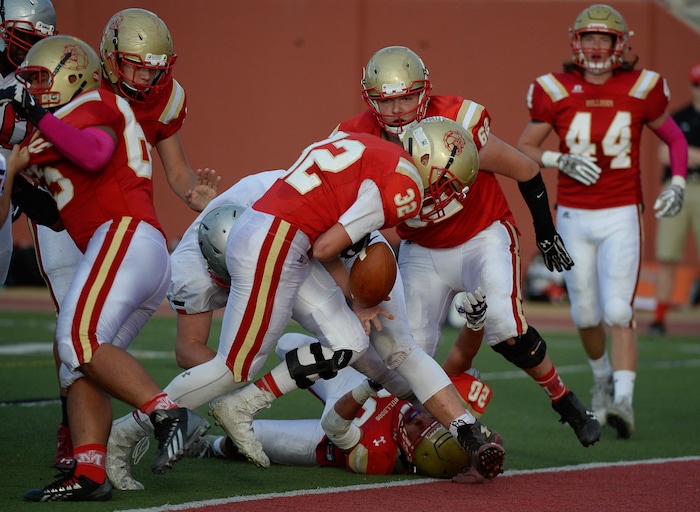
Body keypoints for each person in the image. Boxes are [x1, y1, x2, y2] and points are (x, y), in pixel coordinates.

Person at [107, 117, 506, 491]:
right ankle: (127, 432)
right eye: (449, 183)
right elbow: (327, 244)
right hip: (277, 243)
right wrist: (358, 297)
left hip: (287, 238)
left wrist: (358, 292)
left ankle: (243, 405)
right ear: (431, 166)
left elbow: (325, 231)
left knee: (351, 341)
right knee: (233, 368)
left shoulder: (371, 145)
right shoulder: (404, 186)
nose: (447, 194)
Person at [334, 45, 600, 448]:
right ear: (371, 101)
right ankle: (408, 434)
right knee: (405, 354)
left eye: (407, 96)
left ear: (424, 91)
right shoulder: (356, 139)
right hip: (421, 249)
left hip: (482, 233)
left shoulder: (457, 122)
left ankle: (564, 400)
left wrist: (546, 233)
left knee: (506, 327)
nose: (399, 109)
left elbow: (525, 169)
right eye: (388, 100)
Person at [1, 35, 210, 502]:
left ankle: (168, 414)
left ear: (69, 72)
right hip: (130, 248)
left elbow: (94, 152)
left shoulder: (93, 102)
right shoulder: (57, 127)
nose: (32, 89)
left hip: (124, 236)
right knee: (78, 366)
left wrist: (34, 120)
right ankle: (90, 471)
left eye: (38, 78)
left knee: (76, 339)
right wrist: (14, 180)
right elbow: (55, 213)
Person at [516, 4, 688, 439]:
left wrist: (679, 181)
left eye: (604, 39)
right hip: (573, 214)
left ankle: (624, 401)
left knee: (617, 308)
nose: (595, 46)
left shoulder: (642, 87)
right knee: (587, 311)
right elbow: (526, 147)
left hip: (620, 212)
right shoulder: (554, 89)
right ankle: (602, 377)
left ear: (619, 43)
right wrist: (561, 158)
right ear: (576, 42)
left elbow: (673, 136)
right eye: (589, 38)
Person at [187, 332, 496, 483]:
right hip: (356, 387)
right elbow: (460, 364)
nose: (420, 417)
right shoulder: (435, 422)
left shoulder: (378, 457)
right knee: (289, 343)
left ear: (415, 453)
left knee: (251, 438)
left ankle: (207, 447)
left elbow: (334, 426)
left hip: (327, 435)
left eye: (418, 430)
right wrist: (484, 446)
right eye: (432, 421)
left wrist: (371, 386)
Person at [0, 0, 56, 286]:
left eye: (37, 42)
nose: (29, 50)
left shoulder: (40, 79)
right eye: (22, 37)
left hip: (10, 187)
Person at [649, 61, 700, 336]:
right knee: (667, 255)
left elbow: (677, 151)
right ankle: (659, 318)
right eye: (697, 85)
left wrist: (687, 154)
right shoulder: (679, 116)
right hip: (677, 188)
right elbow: (662, 153)